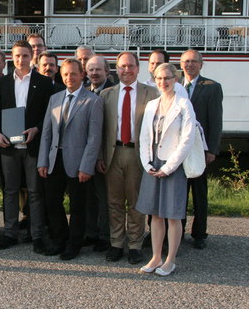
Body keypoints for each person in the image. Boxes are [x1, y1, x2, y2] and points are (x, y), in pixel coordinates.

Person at [38, 58, 104, 261]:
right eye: (65, 74)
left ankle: (74, 244)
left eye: (73, 74)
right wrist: (42, 161)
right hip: (54, 159)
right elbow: (46, 133)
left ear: (82, 75)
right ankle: (60, 239)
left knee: (77, 205)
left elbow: (94, 138)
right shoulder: (55, 98)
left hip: (78, 162)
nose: (69, 78)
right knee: (52, 202)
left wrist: (87, 166)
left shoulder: (93, 101)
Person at [97, 51, 159, 264]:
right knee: (114, 202)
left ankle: (135, 244)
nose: (126, 70)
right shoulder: (106, 95)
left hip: (137, 154)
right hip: (113, 154)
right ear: (117, 68)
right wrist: (99, 157)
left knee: (135, 202)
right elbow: (100, 130)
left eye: (130, 66)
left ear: (137, 68)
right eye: (122, 66)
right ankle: (116, 243)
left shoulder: (151, 93)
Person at [0, 40, 53, 254]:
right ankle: (10, 232)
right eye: (17, 56)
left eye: (25, 56)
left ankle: (37, 236)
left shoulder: (44, 83)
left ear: (32, 57)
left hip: (32, 145)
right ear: (12, 57)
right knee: (10, 190)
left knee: (35, 192)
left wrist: (36, 128)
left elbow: (49, 114)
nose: (21, 60)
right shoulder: (3, 83)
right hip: (9, 146)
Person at [137, 63, 196, 276]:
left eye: (168, 78)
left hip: (173, 166)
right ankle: (155, 257)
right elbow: (144, 137)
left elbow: (187, 139)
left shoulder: (184, 104)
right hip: (153, 165)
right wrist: (147, 164)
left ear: (176, 79)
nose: (163, 82)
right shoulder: (152, 104)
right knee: (155, 215)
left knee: (172, 215)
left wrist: (170, 167)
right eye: (159, 78)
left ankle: (170, 260)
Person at [180, 49, 223, 249]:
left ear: (201, 64)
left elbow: (215, 120)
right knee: (178, 192)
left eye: (194, 62)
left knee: (199, 193)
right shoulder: (174, 84)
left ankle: (199, 234)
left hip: (199, 148)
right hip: (177, 149)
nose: (189, 65)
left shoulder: (212, 87)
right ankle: (177, 232)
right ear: (180, 64)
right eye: (186, 61)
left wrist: (211, 150)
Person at [82, 55, 115, 252]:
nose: (94, 73)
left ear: (107, 72)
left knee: (105, 198)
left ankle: (105, 235)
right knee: (90, 197)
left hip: (105, 155)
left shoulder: (112, 94)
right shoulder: (85, 92)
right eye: (91, 69)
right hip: (86, 154)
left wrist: (101, 155)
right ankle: (91, 232)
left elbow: (109, 128)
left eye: (98, 70)